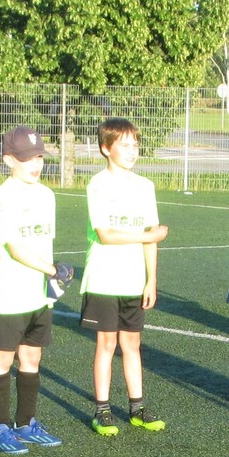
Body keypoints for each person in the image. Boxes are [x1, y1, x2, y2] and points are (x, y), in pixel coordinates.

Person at [80, 118, 168, 437]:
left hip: (133, 281)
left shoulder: (145, 187)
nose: (132, 151)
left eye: (135, 145)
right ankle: (102, 410)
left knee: (132, 343)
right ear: (106, 148)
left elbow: (152, 238)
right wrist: (147, 235)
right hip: (104, 280)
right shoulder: (98, 185)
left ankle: (137, 408)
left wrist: (151, 279)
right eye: (125, 145)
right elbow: (106, 235)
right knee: (106, 344)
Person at [0, 125, 67, 453]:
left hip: (39, 295)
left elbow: (43, 244)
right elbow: (16, 248)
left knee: (32, 357)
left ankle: (25, 423)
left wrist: (52, 276)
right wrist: (53, 269)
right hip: (10, 295)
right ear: (8, 160)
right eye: (26, 158)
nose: (35, 164)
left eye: (39, 157)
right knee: (2, 360)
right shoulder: (3, 196)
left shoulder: (46, 195)